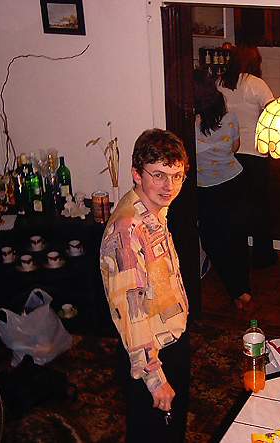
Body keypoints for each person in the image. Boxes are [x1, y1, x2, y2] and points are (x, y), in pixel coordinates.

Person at [100, 129, 190, 442]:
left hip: (169, 340)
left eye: (177, 176)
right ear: (136, 174)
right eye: (159, 175)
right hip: (152, 356)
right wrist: (155, 379)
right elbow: (131, 313)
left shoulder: (153, 211)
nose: (169, 186)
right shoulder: (127, 230)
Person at [194, 69, 253, 310]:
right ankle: (242, 289)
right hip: (234, 181)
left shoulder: (191, 123)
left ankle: (237, 290)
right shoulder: (229, 117)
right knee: (235, 237)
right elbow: (234, 147)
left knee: (212, 240)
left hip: (208, 189)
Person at [217, 45, 278, 268]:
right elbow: (273, 112)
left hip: (229, 153)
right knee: (260, 207)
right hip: (254, 152)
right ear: (254, 62)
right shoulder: (256, 84)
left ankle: (237, 255)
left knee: (235, 208)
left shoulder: (221, 83)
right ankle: (264, 255)